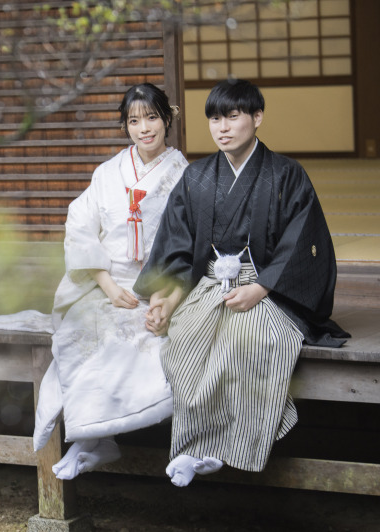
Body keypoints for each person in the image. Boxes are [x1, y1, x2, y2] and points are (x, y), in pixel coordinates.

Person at [133, 78, 349, 487]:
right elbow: (177, 245)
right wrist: (164, 297)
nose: (223, 127)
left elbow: (302, 242)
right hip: (211, 284)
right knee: (183, 340)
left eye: (233, 116)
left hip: (268, 288)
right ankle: (193, 448)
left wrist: (262, 287)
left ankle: (229, 447)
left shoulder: (286, 174)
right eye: (214, 118)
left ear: (257, 117)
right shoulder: (197, 177)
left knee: (248, 340)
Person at [28, 83, 188, 480]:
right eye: (134, 120)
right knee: (77, 334)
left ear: (168, 118)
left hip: (157, 285)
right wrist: (106, 284)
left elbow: (192, 244)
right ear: (125, 126)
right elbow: (81, 228)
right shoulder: (108, 172)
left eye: (152, 117)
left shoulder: (185, 174)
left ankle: (95, 439)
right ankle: (93, 441)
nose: (144, 128)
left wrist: (165, 296)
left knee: (136, 340)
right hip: (105, 279)